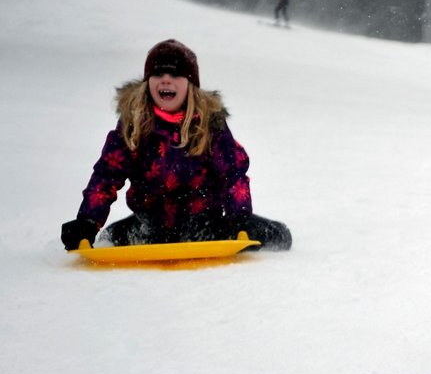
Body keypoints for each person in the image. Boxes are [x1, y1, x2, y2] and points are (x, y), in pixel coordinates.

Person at [60, 39, 292, 251]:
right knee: (108, 239)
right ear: (148, 82)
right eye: (158, 73)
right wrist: (87, 222)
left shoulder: (209, 124)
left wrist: (240, 218)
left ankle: (259, 231)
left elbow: (233, 174)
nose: (166, 79)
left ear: (190, 84)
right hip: (149, 226)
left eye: (176, 74)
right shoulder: (133, 124)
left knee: (278, 235)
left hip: (204, 224)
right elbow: (106, 176)